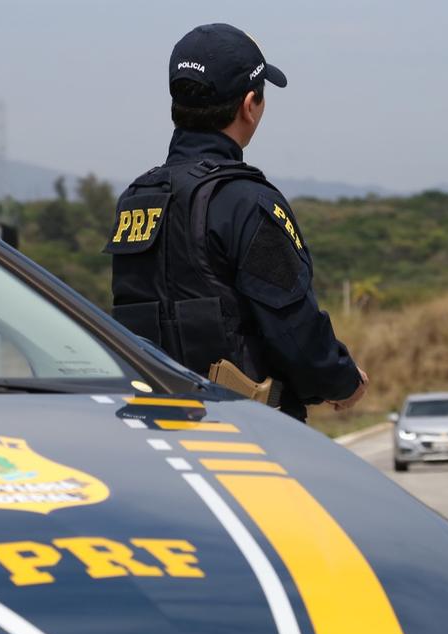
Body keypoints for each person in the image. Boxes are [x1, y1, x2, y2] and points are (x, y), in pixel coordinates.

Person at [107, 23, 367, 422]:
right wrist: (343, 380)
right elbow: (295, 333)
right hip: (241, 433)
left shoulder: (137, 198)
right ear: (249, 104)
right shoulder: (247, 201)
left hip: (152, 429)